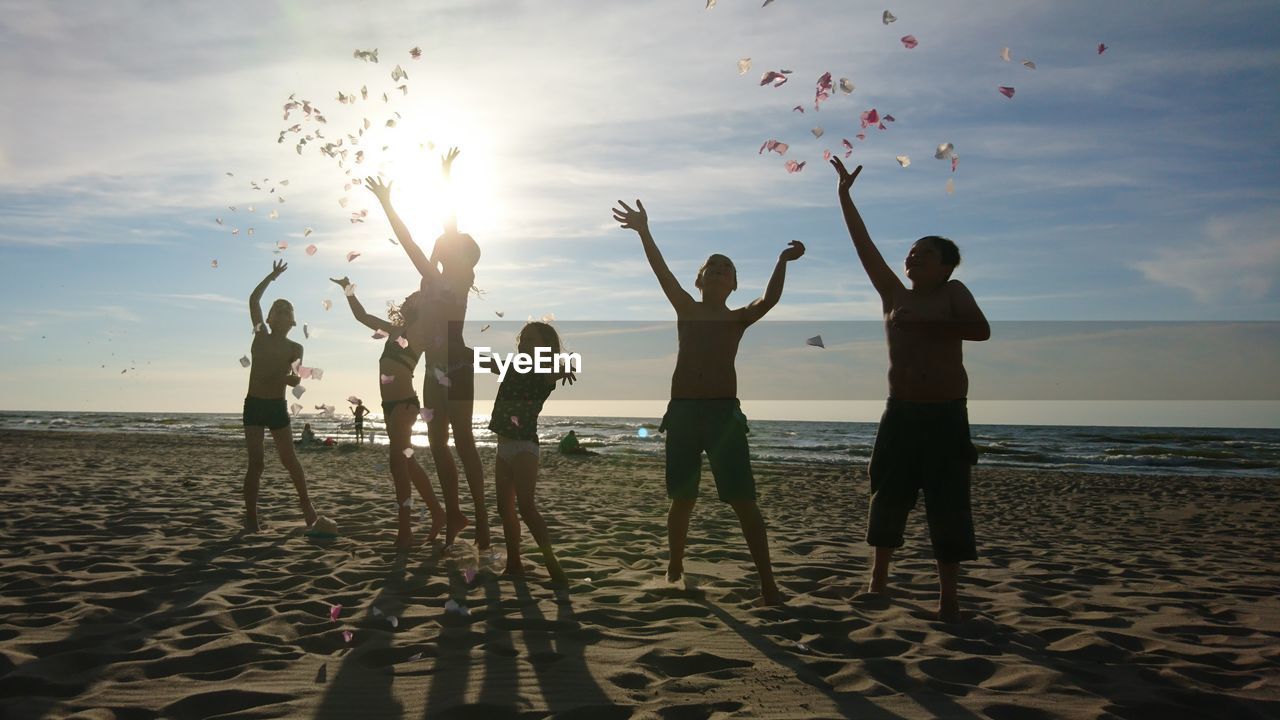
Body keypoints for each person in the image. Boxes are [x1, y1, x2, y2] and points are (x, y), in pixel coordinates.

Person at [612, 199, 804, 607]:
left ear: (734, 284)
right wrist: (645, 231)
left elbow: (769, 299)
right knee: (683, 497)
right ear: (699, 280)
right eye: (711, 267)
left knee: (742, 500)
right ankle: (675, 566)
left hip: (723, 415)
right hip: (682, 412)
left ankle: (767, 581)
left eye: (727, 268)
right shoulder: (686, 307)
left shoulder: (738, 318)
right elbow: (661, 272)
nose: (718, 270)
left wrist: (783, 260)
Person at [830, 158, 991, 622]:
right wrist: (845, 196)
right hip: (899, 412)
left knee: (948, 501)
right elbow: (865, 249)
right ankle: (878, 581)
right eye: (912, 252)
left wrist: (926, 322)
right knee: (887, 494)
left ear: (945, 267)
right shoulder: (893, 294)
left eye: (925, 254)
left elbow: (980, 330)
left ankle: (948, 598)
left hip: (944, 414)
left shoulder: (952, 293)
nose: (913, 257)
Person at [365, 147, 489, 550]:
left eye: (448, 247)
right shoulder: (436, 282)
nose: (442, 247)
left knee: (464, 442)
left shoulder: (451, 282)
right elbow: (428, 245)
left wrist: (443, 179)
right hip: (435, 367)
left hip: (455, 364)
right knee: (437, 444)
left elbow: (415, 242)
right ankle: (454, 515)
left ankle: (483, 523)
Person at [331, 276, 448, 548]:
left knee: (398, 465)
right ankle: (438, 512)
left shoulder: (421, 330)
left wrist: (428, 291)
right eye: (408, 298)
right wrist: (348, 289)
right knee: (407, 462)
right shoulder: (394, 329)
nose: (408, 300)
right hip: (389, 406)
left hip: (405, 403)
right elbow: (361, 316)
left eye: (413, 299)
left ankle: (405, 531)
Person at [485, 322, 576, 582]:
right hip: (503, 447)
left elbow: (556, 370)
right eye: (522, 339)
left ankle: (551, 563)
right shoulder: (513, 366)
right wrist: (461, 354)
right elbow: (490, 362)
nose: (524, 343)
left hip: (525, 446)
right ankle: (514, 563)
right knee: (505, 509)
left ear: (545, 346)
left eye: (531, 339)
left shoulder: (542, 371)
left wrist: (565, 368)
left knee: (526, 507)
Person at [241, 260, 324, 533]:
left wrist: (285, 377)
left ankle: (308, 510)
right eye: (278, 309)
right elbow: (254, 299)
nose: (283, 311)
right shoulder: (260, 335)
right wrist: (272, 276)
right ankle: (251, 518)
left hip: (277, 407)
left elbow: (296, 378)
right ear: (270, 318)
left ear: (293, 321)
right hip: (254, 405)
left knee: (290, 460)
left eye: (288, 310)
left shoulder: (295, 346)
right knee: (257, 463)